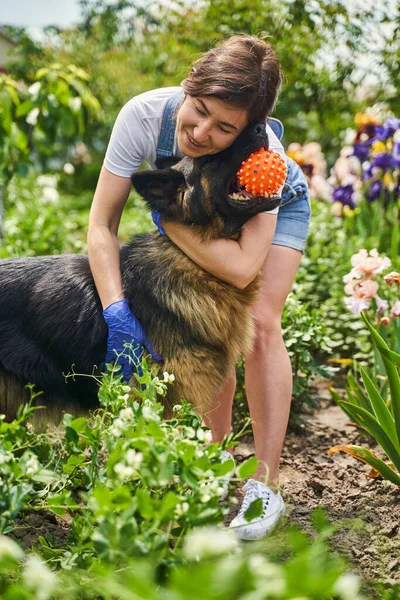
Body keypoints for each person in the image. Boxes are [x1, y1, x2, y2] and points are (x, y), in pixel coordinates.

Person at [87, 34, 310, 540]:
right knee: (207, 336)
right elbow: (102, 226)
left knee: (256, 323)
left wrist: (172, 225)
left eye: (224, 127)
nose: (201, 131)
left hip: (264, 208)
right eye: (199, 109)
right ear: (188, 86)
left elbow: (243, 267)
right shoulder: (142, 116)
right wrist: (116, 311)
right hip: (196, 206)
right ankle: (211, 465)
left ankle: (265, 486)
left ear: (246, 130)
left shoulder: (264, 156)